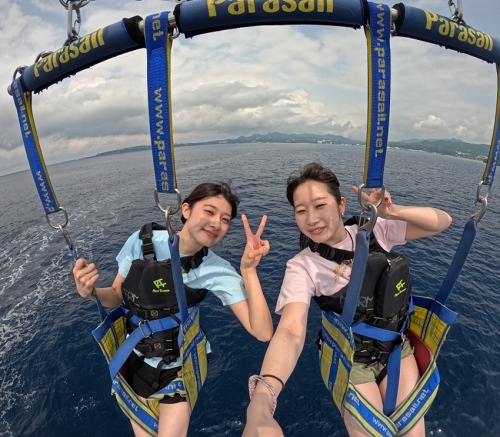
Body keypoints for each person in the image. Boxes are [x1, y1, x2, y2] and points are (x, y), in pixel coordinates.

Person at [243, 162, 452, 437]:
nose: (311, 219)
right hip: (351, 362)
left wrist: (392, 212)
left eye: (320, 205)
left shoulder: (375, 231)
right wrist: (263, 396)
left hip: (395, 349)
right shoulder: (302, 266)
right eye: (301, 211)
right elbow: (291, 329)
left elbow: (442, 222)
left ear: (341, 205)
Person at [73, 181, 274, 437]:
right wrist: (90, 293)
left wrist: (248, 270)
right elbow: (115, 295)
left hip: (179, 368)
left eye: (225, 219)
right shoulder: (141, 241)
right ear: (186, 210)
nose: (216, 223)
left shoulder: (217, 269)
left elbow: (262, 332)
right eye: (209, 212)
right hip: (135, 361)